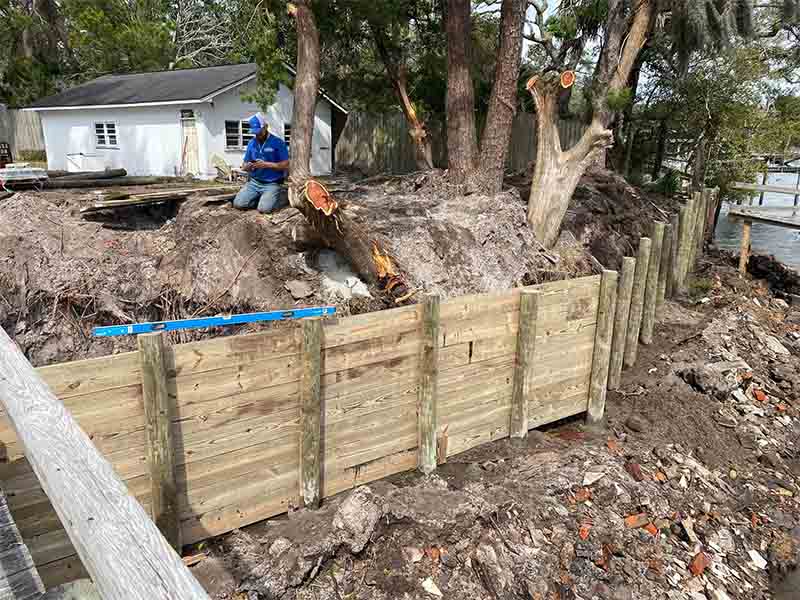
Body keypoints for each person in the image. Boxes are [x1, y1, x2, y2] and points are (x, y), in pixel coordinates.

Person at [233, 113, 290, 213]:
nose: (257, 134)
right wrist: (248, 166)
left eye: (259, 131)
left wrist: (266, 165)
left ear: (266, 127)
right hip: (254, 182)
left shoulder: (278, 142)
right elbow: (244, 166)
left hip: (272, 183)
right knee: (238, 204)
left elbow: (285, 165)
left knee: (264, 209)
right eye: (255, 132)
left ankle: (281, 195)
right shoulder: (252, 143)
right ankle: (262, 199)